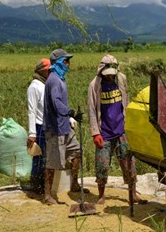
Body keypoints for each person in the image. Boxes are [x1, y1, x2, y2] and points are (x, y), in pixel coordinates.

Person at [87, 54, 148, 205]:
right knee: (102, 165)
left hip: (122, 129)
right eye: (107, 75)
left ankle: (132, 194)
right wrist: (95, 132)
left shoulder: (122, 79)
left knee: (129, 163)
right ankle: (101, 195)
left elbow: (126, 102)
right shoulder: (94, 85)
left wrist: (130, 126)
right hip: (104, 132)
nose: (110, 78)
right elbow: (91, 110)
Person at [42, 49, 86, 205]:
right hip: (55, 129)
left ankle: (74, 184)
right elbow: (56, 103)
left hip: (65, 127)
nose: (69, 64)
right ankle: (47, 195)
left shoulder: (60, 79)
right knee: (52, 162)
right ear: (60, 62)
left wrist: (69, 116)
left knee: (77, 151)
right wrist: (70, 112)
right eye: (66, 61)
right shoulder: (53, 80)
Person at [26, 58, 52, 195]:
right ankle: (36, 183)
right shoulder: (34, 87)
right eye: (49, 71)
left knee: (45, 156)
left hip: (46, 125)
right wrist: (32, 133)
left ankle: (42, 184)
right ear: (43, 71)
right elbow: (32, 110)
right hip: (39, 126)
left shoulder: (45, 85)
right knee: (39, 156)